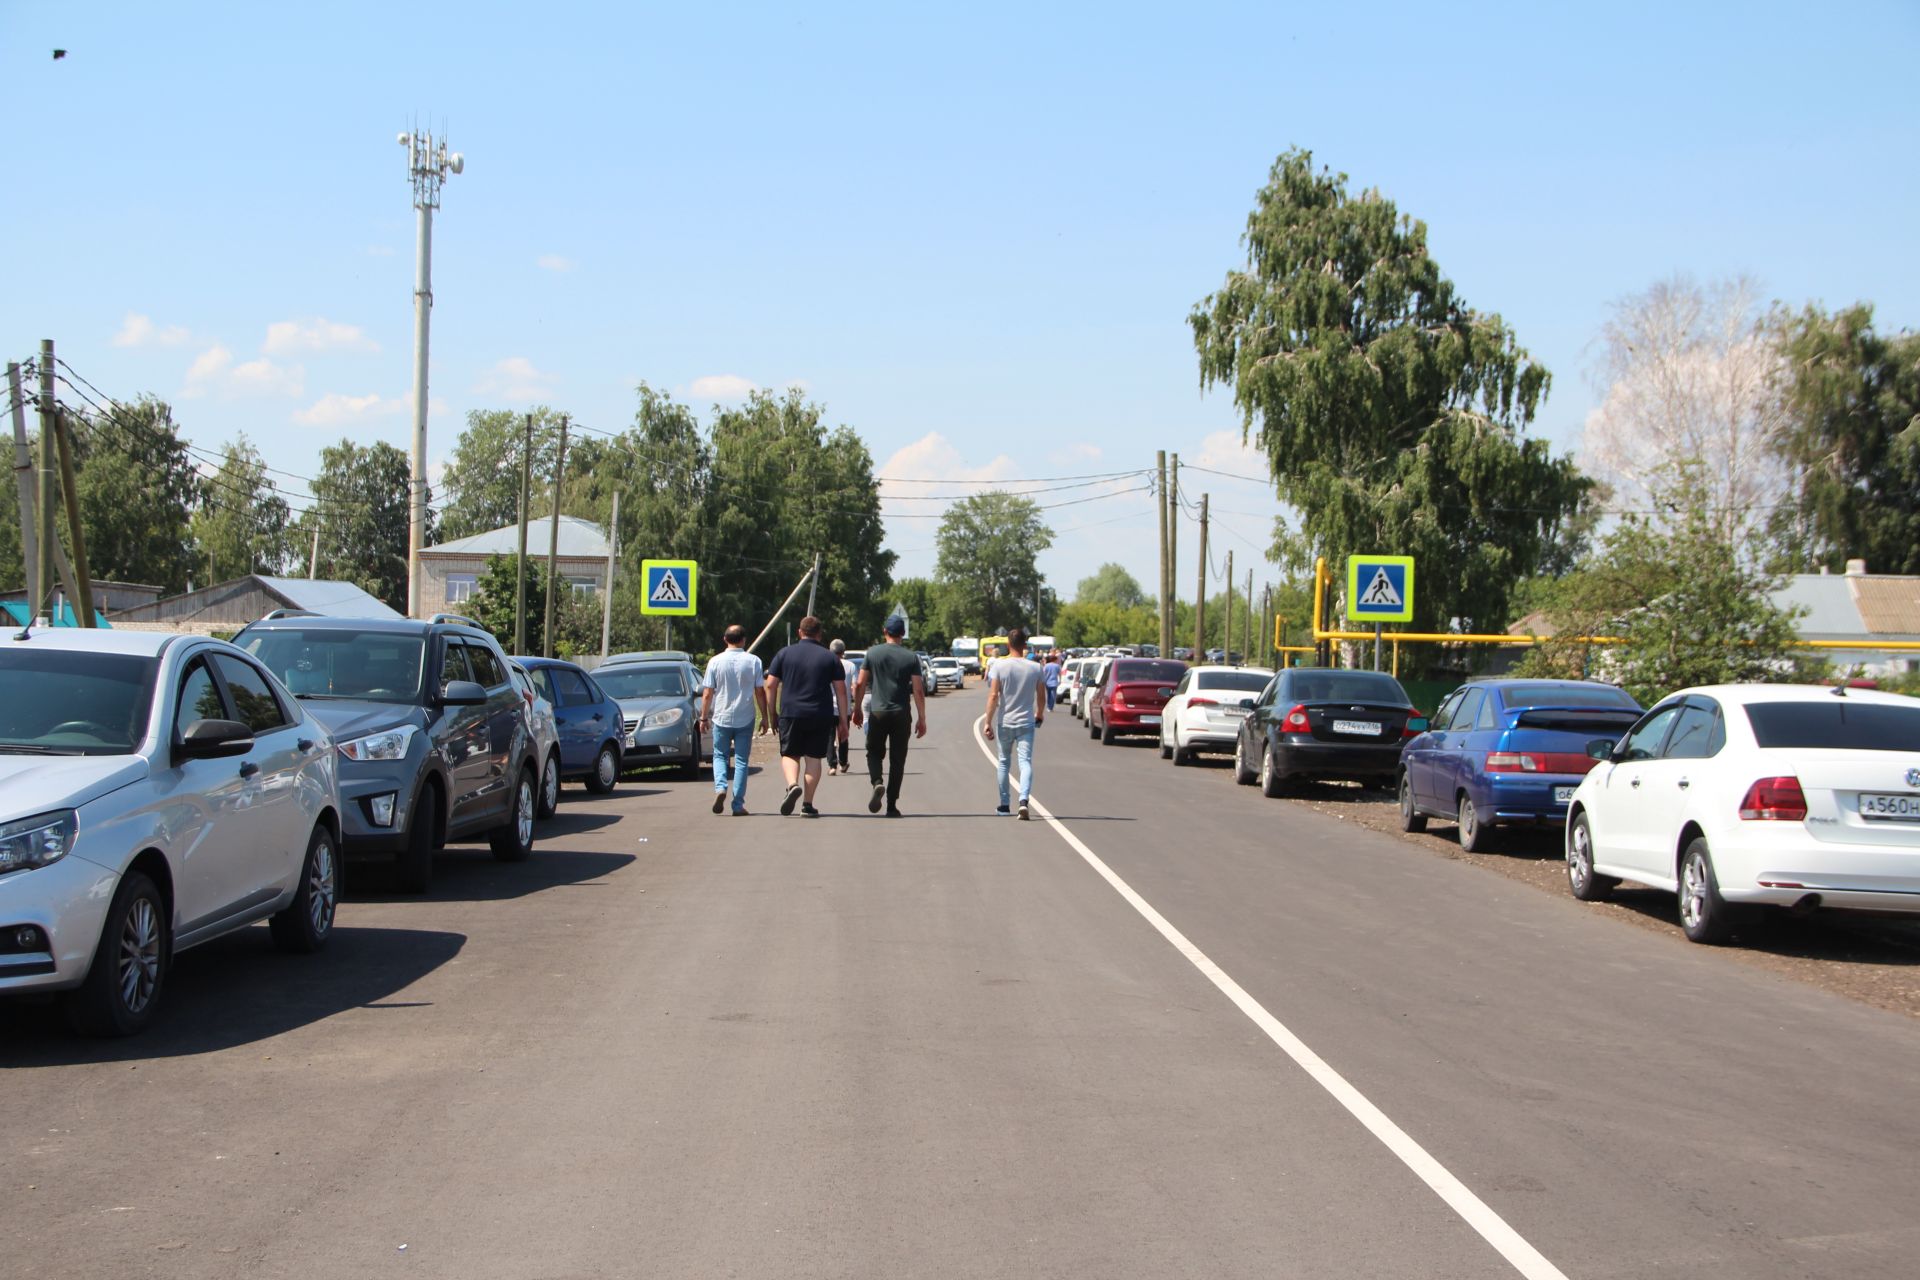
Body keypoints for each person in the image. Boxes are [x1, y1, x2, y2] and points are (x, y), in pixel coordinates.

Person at [764, 615, 848, 817]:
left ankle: (792, 784)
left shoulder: (784, 654)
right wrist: (843, 721)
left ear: (800, 632)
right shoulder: (830, 658)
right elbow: (841, 691)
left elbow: (770, 684)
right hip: (820, 714)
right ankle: (807, 805)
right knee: (813, 759)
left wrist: (771, 713)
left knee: (790, 754)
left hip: (791, 712)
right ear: (820, 634)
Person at [851, 615, 926, 818]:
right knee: (897, 760)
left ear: (885, 631)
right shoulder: (911, 657)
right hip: (901, 713)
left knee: (874, 752)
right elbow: (918, 690)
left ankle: (877, 782)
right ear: (903, 634)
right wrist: (922, 717)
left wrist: (856, 709)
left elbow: (859, 683)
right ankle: (891, 805)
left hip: (878, 712)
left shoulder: (872, 653)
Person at [698, 624, 768, 816]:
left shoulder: (714, 662)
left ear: (725, 639)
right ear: (744, 640)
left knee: (719, 755)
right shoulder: (754, 661)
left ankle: (721, 788)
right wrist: (765, 717)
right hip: (745, 717)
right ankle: (737, 804)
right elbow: (760, 691)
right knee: (741, 760)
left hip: (721, 716)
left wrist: (703, 718)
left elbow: (707, 693)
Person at [983, 627, 1047, 820]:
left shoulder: (999, 667)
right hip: (1026, 721)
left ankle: (1004, 805)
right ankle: (1023, 801)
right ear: (1025, 645)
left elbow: (994, 695)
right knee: (1025, 762)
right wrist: (1040, 713)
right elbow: (1041, 695)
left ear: (1008, 645)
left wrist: (987, 721)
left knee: (1003, 763)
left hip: (1006, 721)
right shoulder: (1036, 668)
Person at [829, 638, 856, 775]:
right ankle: (843, 763)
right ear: (843, 651)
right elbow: (854, 687)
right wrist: (856, 705)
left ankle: (832, 765)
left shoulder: (826, 663)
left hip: (828, 707)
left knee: (830, 736)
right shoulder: (850, 665)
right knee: (843, 735)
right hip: (844, 706)